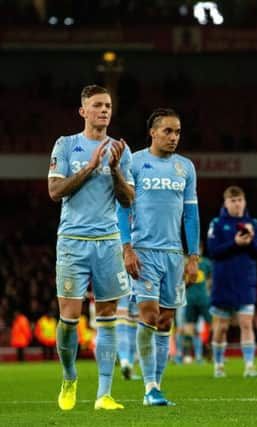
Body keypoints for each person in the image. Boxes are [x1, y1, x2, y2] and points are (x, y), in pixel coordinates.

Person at [48, 84, 134, 411]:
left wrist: (112, 169)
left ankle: (104, 394)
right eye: (97, 105)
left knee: (109, 316)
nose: (104, 111)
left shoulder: (121, 150)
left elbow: (129, 199)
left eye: (108, 106)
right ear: (83, 111)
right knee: (69, 319)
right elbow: (55, 191)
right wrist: (89, 167)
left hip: (108, 242)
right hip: (72, 241)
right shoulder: (66, 145)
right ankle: (69, 377)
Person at [117, 107, 200, 406]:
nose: (174, 137)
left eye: (177, 131)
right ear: (152, 132)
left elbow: (191, 214)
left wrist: (193, 257)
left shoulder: (186, 168)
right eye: (168, 131)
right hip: (143, 252)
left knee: (166, 322)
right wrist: (126, 248)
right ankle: (149, 386)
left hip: (174, 255)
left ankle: (157, 386)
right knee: (149, 315)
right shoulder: (135, 163)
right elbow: (123, 207)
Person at [207, 185, 257, 378]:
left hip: (245, 282)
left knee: (246, 324)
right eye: (233, 201)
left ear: (245, 201)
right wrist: (235, 243)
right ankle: (218, 365)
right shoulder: (217, 223)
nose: (237, 204)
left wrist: (251, 241)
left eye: (240, 200)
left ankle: (249, 366)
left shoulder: (252, 224)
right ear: (226, 203)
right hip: (223, 282)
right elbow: (213, 251)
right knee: (221, 327)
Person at [182, 244, 213, 364]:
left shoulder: (206, 263)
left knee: (212, 324)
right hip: (190, 298)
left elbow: (211, 278)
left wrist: (208, 289)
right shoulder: (186, 262)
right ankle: (188, 354)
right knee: (189, 327)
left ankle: (210, 351)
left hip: (204, 299)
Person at [115, 295, 140, 379]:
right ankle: (129, 365)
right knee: (133, 324)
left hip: (121, 284)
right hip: (137, 286)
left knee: (122, 322)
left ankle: (124, 362)